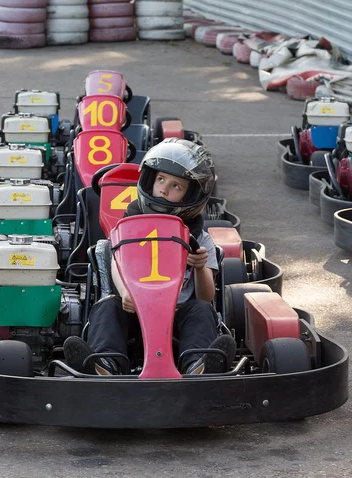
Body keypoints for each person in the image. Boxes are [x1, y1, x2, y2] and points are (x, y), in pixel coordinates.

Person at [63, 139, 236, 376]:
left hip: (177, 317)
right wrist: (125, 292)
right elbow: (115, 261)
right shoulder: (127, 228)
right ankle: (103, 364)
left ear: (192, 195)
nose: (164, 189)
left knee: (201, 311)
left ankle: (198, 365)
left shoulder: (200, 239)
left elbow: (206, 298)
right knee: (106, 307)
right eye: (161, 179)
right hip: (132, 310)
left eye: (176, 186)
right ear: (149, 180)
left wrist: (199, 267)